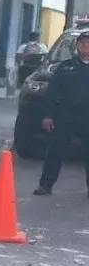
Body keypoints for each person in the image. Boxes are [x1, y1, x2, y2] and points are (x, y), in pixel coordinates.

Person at [35, 31, 89, 197]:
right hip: (65, 115)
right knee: (55, 150)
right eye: (83, 43)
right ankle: (45, 185)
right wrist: (47, 115)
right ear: (77, 46)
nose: (86, 46)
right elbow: (52, 93)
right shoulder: (65, 67)